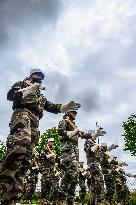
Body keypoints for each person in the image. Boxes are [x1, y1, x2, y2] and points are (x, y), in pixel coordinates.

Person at [0, 67, 80, 205]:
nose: (40, 78)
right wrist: (27, 90)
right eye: (38, 75)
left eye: (42, 76)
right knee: (19, 147)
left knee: (25, 161)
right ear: (31, 75)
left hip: (35, 123)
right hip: (22, 114)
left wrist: (66, 107)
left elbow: (52, 107)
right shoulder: (22, 84)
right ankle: (2, 182)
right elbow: (10, 95)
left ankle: (9, 199)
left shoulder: (41, 96)